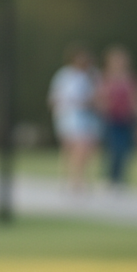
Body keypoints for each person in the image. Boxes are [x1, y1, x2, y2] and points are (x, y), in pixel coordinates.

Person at [95, 45, 137, 188]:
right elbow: (99, 98)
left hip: (128, 118)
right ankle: (110, 178)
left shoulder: (131, 78)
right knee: (114, 148)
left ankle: (120, 178)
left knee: (127, 149)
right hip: (111, 118)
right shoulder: (105, 77)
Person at [47, 44, 101, 192]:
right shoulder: (64, 75)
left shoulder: (92, 75)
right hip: (68, 116)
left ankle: (79, 178)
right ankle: (71, 179)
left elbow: (99, 95)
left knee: (85, 148)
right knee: (72, 148)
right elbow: (54, 97)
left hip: (87, 116)